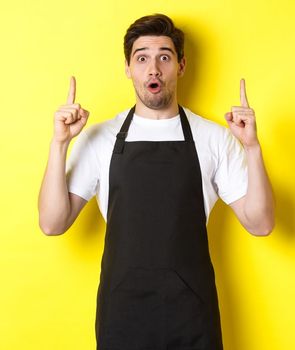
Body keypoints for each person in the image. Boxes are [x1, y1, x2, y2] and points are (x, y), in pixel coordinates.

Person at [37, 13, 275, 349]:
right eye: (142, 58)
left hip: (193, 317)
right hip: (122, 317)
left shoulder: (214, 138)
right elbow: (52, 222)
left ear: (180, 66)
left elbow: (261, 223)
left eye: (164, 56)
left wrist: (251, 147)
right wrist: (59, 143)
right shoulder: (99, 138)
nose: (153, 68)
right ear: (128, 68)